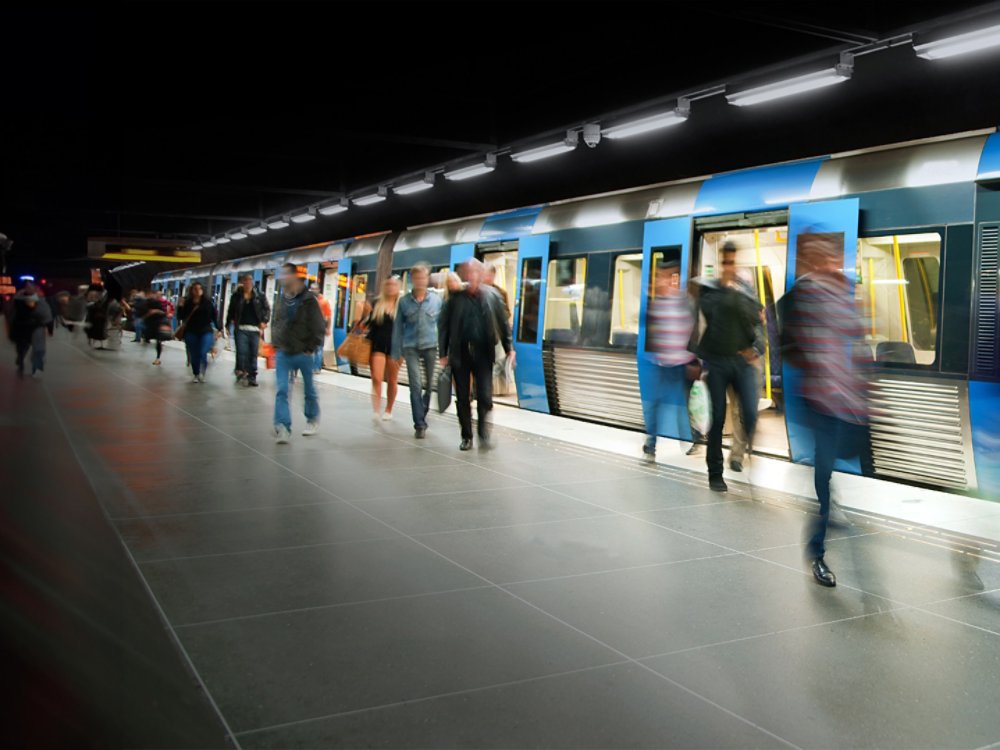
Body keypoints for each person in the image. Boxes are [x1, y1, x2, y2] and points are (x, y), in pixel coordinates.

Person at [781, 234, 870, 588]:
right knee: (823, 472)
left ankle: (829, 504)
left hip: (848, 399)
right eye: (821, 258)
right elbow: (790, 345)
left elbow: (856, 334)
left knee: (836, 464)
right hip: (820, 399)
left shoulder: (843, 292)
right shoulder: (799, 296)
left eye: (833, 257)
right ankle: (816, 552)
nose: (829, 263)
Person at [696, 241, 763, 492]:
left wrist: (756, 349)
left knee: (750, 412)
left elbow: (758, 321)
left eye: (732, 262)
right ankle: (715, 472)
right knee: (718, 417)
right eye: (725, 262)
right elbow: (708, 313)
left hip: (741, 360)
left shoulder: (745, 290)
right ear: (720, 264)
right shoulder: (709, 290)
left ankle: (745, 456)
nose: (729, 266)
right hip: (716, 361)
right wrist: (725, 289)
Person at [438, 259, 514, 451]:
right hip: (460, 353)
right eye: (469, 273)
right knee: (463, 397)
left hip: (483, 353)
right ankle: (467, 436)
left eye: (476, 272)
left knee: (485, 397)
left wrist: (509, 347)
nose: (472, 276)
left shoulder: (493, 296)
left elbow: (503, 324)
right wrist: (443, 353)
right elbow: (444, 327)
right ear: (464, 275)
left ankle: (483, 434)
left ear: (481, 274)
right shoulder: (454, 299)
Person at [642, 261, 698, 460]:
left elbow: (695, 333)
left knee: (682, 405)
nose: (659, 280)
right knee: (657, 405)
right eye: (658, 276)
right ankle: (651, 443)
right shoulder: (656, 304)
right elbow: (654, 334)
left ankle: (690, 441)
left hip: (682, 365)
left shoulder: (685, 302)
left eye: (663, 276)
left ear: (674, 278)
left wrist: (694, 361)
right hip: (662, 365)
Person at [271, 263, 326, 443]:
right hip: (284, 351)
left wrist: (311, 347)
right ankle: (282, 426)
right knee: (281, 389)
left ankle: (312, 418)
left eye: (285, 274)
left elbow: (318, 325)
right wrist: (276, 342)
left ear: (294, 276)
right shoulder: (282, 298)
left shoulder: (309, 300)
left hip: (303, 352)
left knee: (309, 389)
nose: (282, 278)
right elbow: (277, 321)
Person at [391, 263, 442, 438]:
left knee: (428, 386)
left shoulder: (436, 300)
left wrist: (445, 350)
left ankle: (423, 410)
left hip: (431, 346)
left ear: (427, 279)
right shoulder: (404, 302)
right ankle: (419, 423)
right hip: (410, 346)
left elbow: (442, 326)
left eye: (423, 277)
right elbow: (398, 327)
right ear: (412, 279)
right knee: (415, 385)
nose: (420, 281)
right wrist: (395, 352)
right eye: (417, 278)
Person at [367, 275, 402, 423]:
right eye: (388, 285)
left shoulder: (403, 305)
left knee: (392, 380)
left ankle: (388, 409)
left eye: (393, 285)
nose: (390, 288)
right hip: (377, 344)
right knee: (376, 377)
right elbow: (368, 324)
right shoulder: (376, 303)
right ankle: (376, 410)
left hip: (396, 347)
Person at [226, 274, 270, 387]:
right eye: (246, 280)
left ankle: (252, 376)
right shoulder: (236, 296)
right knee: (242, 351)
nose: (248, 282)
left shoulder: (259, 296)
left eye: (250, 280)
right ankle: (241, 369)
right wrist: (227, 325)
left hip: (255, 329)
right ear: (242, 282)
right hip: (241, 328)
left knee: (253, 354)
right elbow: (231, 311)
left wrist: (264, 321)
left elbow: (267, 309)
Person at [177, 282, 221, 383]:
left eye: (199, 289)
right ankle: (196, 373)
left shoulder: (207, 303)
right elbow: (181, 317)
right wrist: (180, 306)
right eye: (195, 289)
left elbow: (214, 316)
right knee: (194, 353)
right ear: (192, 291)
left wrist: (219, 329)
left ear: (202, 290)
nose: (197, 291)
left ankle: (202, 373)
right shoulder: (187, 303)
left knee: (202, 351)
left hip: (205, 330)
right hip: (191, 331)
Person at [8, 282, 52, 379]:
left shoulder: (38, 299)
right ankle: (21, 360)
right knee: (23, 347)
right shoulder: (18, 299)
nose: (30, 289)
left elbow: (46, 314)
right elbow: (11, 313)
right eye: (27, 287)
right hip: (22, 327)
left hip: (35, 326)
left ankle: (37, 369)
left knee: (38, 349)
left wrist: (48, 326)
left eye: (32, 287)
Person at [144, 289, 172, 365]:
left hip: (158, 324)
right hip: (150, 324)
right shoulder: (146, 303)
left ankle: (158, 358)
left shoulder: (160, 303)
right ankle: (157, 357)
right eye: (158, 295)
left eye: (160, 295)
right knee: (148, 338)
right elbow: (143, 314)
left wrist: (156, 311)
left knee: (158, 341)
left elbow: (164, 313)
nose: (159, 296)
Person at [311, 282, 332, 374]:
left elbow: (328, 316)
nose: (313, 290)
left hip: (319, 327)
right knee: (315, 348)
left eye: (314, 289)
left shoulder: (323, 302)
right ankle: (315, 368)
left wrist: (328, 328)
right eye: (312, 289)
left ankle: (316, 368)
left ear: (319, 290)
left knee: (318, 348)